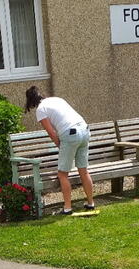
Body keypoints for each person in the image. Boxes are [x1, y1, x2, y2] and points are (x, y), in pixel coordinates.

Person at [25, 86, 95, 215]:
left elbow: (51, 132)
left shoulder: (41, 110)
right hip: (84, 129)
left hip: (70, 134)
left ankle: (67, 208)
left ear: (31, 101)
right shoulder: (56, 99)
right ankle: (91, 203)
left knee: (63, 174)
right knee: (84, 171)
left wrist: (60, 146)